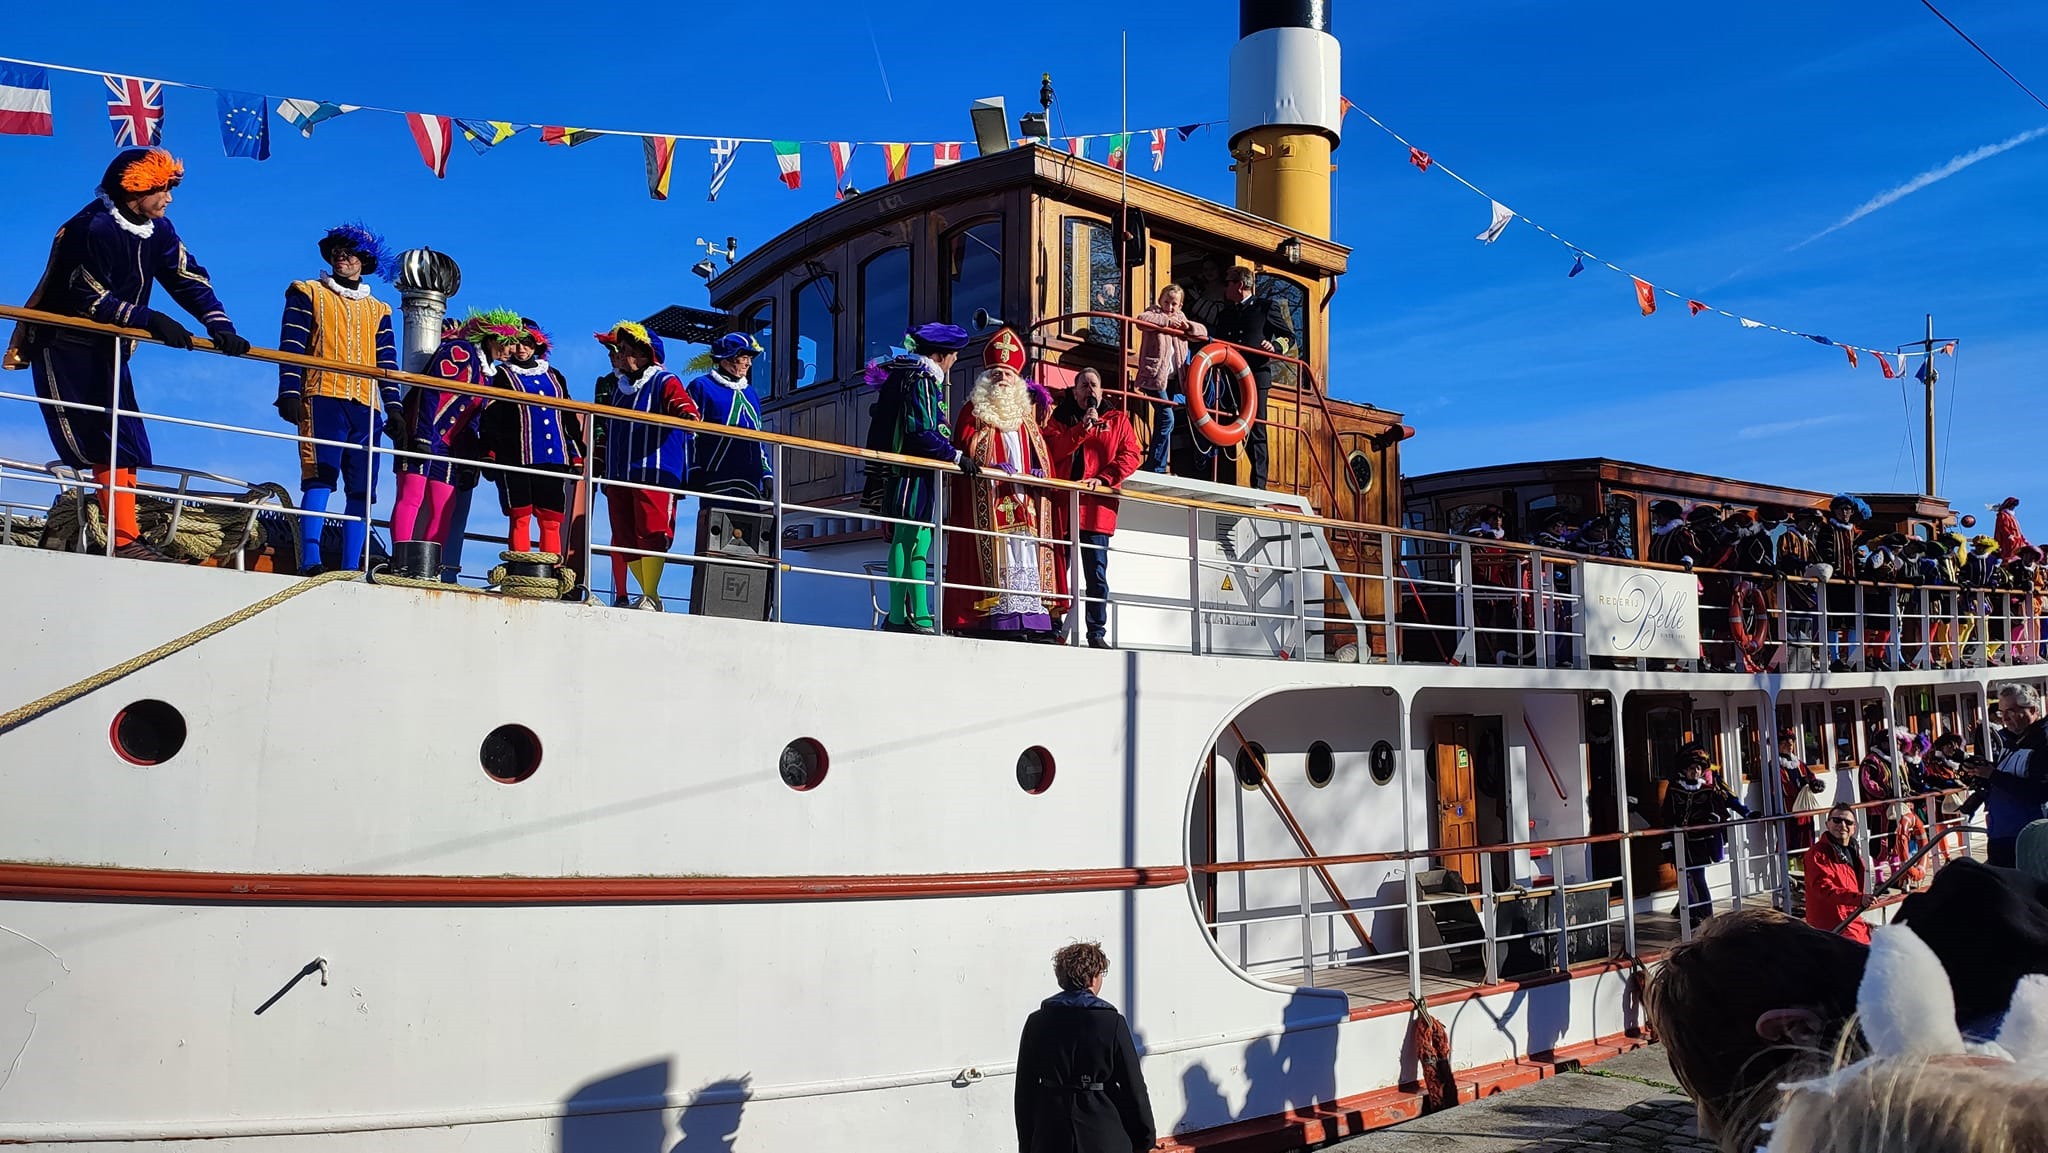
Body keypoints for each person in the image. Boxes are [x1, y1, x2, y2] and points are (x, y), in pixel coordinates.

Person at [6, 147, 250, 561]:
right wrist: (149, 318)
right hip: (63, 339)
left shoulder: (160, 230)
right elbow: (83, 293)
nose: (169, 198)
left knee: (125, 437)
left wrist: (219, 324)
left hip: (109, 344)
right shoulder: (91, 227)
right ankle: (122, 539)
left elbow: (186, 277)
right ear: (136, 189)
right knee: (105, 437)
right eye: (163, 189)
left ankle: (125, 535)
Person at [273, 224, 401, 575]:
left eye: (350, 252)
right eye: (337, 252)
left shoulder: (379, 310)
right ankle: (310, 560)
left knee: (362, 489)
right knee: (319, 477)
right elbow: (292, 345)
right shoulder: (308, 292)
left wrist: (394, 409)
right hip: (322, 396)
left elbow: (388, 364)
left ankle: (352, 566)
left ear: (364, 260)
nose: (342, 257)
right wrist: (289, 390)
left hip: (367, 406)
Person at [943, 331, 1059, 640]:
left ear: (1017, 380)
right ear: (986, 379)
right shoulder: (974, 410)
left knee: (1025, 552)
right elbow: (965, 445)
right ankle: (1000, 621)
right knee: (1001, 553)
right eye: (996, 374)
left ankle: (1030, 621)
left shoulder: (1025, 417)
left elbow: (1042, 453)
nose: (1002, 379)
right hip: (991, 495)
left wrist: (1039, 470)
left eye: (1007, 374)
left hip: (1025, 497)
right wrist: (990, 465)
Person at [861, 322, 974, 634]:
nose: (955, 361)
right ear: (940, 355)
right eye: (953, 355)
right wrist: (956, 456)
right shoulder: (921, 379)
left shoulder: (908, 374)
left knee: (913, 539)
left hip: (909, 473)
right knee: (911, 538)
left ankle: (907, 614)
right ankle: (910, 615)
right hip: (912, 473)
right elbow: (920, 431)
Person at [593, 321, 698, 611]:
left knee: (653, 531)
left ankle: (651, 594)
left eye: (625, 349)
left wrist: (687, 415)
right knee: (625, 535)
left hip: (654, 472)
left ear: (643, 355)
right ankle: (646, 593)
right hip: (620, 473)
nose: (619, 354)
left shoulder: (663, 380)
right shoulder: (618, 389)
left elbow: (683, 405)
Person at [1013, 942, 1155, 1153]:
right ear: (1094, 977)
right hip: (1104, 1135)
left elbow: (1025, 1090)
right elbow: (1134, 1087)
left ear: (1061, 978)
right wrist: (1145, 1138)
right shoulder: (1112, 1022)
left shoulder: (1036, 1022)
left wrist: (1027, 1143)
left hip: (1051, 1135)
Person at [390, 310, 505, 552]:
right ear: (490, 338)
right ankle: (401, 557)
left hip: (448, 446)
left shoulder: (488, 375)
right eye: (505, 341)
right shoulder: (460, 350)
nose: (511, 349)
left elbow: (472, 422)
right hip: (421, 431)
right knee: (411, 496)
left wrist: (469, 460)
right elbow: (430, 391)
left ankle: (429, 562)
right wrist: (422, 435)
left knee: (444, 505)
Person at [1043, 366, 1142, 649]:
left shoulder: (1117, 419)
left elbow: (1131, 455)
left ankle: (1096, 632)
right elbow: (1051, 452)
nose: (1089, 390)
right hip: (1063, 508)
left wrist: (1104, 478)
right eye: (1084, 385)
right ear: (1074, 392)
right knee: (1057, 571)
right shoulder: (1058, 419)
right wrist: (1081, 429)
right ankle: (1052, 626)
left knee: (1096, 574)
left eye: (1093, 384)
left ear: (1101, 391)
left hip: (1096, 510)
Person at [1188, 265, 1293, 490]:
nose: (1224, 287)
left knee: (1256, 429)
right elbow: (1217, 339)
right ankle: (1219, 477)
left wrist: (1274, 346)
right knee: (1227, 422)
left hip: (1255, 376)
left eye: (1228, 282)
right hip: (1229, 378)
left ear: (1240, 285)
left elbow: (1289, 337)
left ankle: (1259, 484)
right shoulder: (1226, 314)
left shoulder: (1265, 307)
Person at [483, 318, 580, 560]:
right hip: (515, 456)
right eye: (516, 342)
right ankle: (520, 565)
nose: (521, 348)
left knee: (551, 518)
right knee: (520, 515)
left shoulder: (555, 375)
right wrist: (489, 452)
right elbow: (491, 417)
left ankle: (551, 569)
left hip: (553, 456)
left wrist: (576, 453)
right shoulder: (500, 375)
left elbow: (568, 416)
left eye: (527, 342)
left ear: (537, 345)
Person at [684, 332, 774, 556]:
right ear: (726, 358)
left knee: (748, 546)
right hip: (716, 476)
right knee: (717, 542)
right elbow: (688, 432)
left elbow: (757, 435)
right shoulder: (701, 387)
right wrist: (694, 469)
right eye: (744, 357)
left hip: (750, 479)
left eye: (750, 358)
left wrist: (766, 473)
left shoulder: (751, 393)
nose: (748, 363)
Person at [1666, 744, 1753, 931]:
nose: (1695, 771)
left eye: (1698, 768)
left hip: (1700, 841)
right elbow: (1667, 814)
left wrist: (1745, 813)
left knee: (1697, 876)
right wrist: (1666, 840)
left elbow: (1725, 802)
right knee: (1683, 876)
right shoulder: (1674, 789)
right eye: (1691, 768)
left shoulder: (1709, 788)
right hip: (1679, 841)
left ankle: (1705, 914)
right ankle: (1689, 913)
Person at [1131, 286, 1205, 473]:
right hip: (1154, 375)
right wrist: (1167, 322)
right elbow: (1142, 320)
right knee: (1167, 418)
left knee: (1162, 419)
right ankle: (1156, 465)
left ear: (1180, 305)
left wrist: (1188, 327)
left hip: (1172, 379)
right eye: (1166, 302)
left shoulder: (1181, 318)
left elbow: (1202, 332)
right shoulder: (1154, 313)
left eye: (1174, 304)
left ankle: (1157, 463)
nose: (1170, 307)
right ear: (1160, 301)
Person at [1985, 683, 2048, 868]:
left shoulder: (2043, 740)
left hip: (2029, 839)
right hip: (2001, 836)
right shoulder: (2011, 739)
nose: (2004, 718)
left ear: (2033, 710)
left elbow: (2041, 791)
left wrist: (1993, 775)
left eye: (2011, 711)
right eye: (2001, 712)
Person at [1804, 802, 1870, 942]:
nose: (1842, 825)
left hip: (1851, 920)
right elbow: (1823, 889)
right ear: (1827, 824)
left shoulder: (1853, 852)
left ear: (1854, 828)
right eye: (1837, 820)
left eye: (1848, 822)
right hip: (1831, 928)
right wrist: (1857, 899)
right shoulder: (1817, 854)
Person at [1779, 728, 1826, 851]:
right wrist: (1801, 784)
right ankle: (1790, 863)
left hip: (1805, 808)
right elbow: (1781, 787)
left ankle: (1806, 861)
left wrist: (1815, 784)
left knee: (1807, 838)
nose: (1789, 746)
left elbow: (1810, 777)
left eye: (1791, 743)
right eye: (1784, 743)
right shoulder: (1775, 765)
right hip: (1789, 810)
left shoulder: (1799, 763)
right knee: (1791, 841)